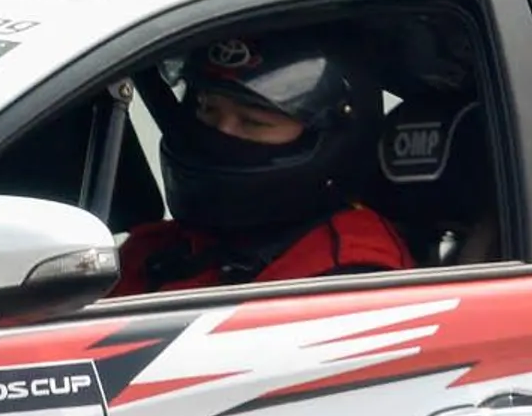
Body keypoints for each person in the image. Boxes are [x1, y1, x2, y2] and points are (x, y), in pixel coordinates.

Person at [115, 27, 409, 294]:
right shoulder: (157, 247)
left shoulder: (351, 276)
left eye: (253, 122)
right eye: (208, 109)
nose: (221, 133)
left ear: (332, 141)